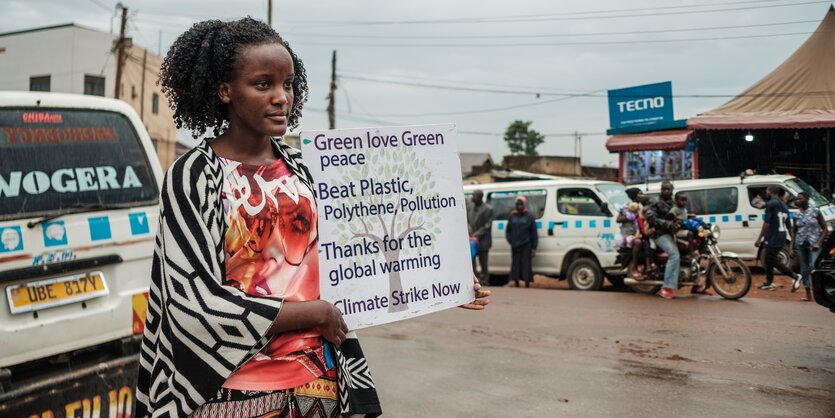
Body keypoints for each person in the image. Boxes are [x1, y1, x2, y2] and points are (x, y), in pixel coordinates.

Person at [135, 18, 490, 418]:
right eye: (263, 84)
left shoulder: (307, 171)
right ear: (225, 91)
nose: (281, 97)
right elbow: (193, 300)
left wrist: (444, 281)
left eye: (287, 84)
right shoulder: (194, 175)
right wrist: (314, 313)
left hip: (317, 381)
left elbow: (360, 257)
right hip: (231, 388)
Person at [756, 186, 800, 291]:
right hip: (781, 236)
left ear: (770, 192)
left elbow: (767, 223)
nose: (766, 193)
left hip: (772, 236)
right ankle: (768, 282)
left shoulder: (771, 204)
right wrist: (792, 242)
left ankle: (795, 276)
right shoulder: (784, 206)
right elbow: (789, 226)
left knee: (771, 259)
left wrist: (759, 238)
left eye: (767, 191)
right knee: (768, 259)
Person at [645, 181, 682, 299]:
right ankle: (666, 287)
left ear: (672, 190)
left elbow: (680, 213)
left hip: (673, 233)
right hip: (659, 233)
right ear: (661, 190)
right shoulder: (655, 201)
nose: (666, 191)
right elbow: (650, 216)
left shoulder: (675, 202)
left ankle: (696, 285)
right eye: (664, 189)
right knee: (674, 254)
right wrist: (666, 224)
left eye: (668, 189)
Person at [791, 192, 826, 301]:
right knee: (804, 268)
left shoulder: (816, 211)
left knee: (813, 266)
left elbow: (825, 228)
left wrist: (818, 242)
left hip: (813, 243)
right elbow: (794, 231)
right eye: (796, 199)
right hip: (800, 243)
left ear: (807, 199)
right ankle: (808, 294)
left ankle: (821, 293)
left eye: (800, 199)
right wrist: (791, 247)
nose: (797, 201)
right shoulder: (796, 214)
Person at [506, 196, 538, 288]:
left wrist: (534, 247)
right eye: (517, 204)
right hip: (515, 244)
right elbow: (508, 231)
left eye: (521, 204)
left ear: (524, 205)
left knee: (525, 264)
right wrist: (511, 240)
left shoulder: (529, 216)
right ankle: (516, 282)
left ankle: (527, 282)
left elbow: (534, 232)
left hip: (526, 244)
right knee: (515, 264)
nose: (519, 206)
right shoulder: (512, 216)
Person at [467, 190, 493, 284]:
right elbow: (467, 222)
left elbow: (487, 226)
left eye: (475, 195)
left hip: (483, 240)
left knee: (483, 262)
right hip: (471, 239)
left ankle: (485, 279)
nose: (473, 197)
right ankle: (474, 279)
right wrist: (470, 234)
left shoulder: (488, 209)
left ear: (480, 197)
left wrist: (476, 235)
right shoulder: (469, 207)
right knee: (472, 260)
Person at [618, 188, 645, 278]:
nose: (642, 196)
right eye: (640, 194)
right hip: (628, 234)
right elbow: (618, 219)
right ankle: (634, 265)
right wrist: (633, 216)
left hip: (640, 232)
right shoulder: (626, 206)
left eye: (642, 194)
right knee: (638, 242)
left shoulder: (641, 207)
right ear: (634, 195)